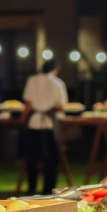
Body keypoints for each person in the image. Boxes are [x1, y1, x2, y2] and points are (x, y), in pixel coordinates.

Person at [22, 59, 67, 195]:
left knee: (32, 157)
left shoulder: (32, 79)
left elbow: (28, 103)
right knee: (51, 158)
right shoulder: (57, 82)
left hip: (33, 122)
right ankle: (49, 189)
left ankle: (31, 187)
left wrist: (22, 119)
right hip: (49, 124)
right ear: (55, 69)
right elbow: (60, 106)